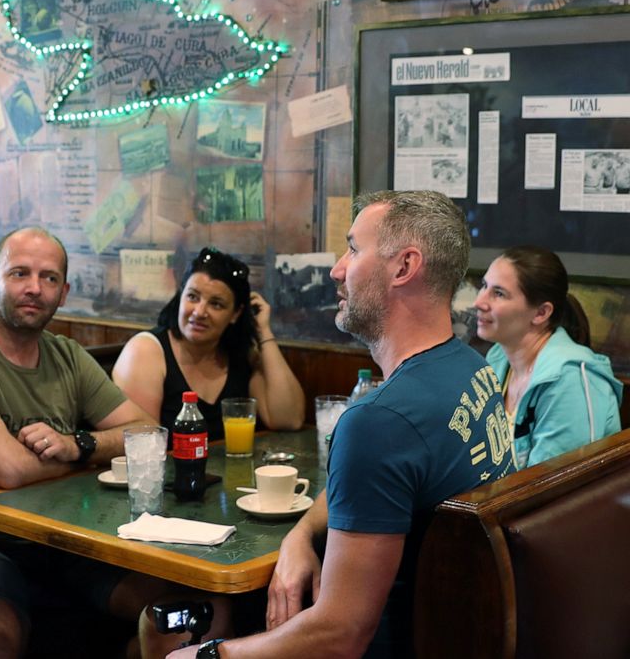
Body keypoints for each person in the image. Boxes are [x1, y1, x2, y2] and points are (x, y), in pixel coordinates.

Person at [171, 190, 517, 659]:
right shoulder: (470, 369)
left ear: (403, 267)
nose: (337, 268)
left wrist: (211, 656)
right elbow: (368, 492)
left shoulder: (380, 422)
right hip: (472, 634)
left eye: (353, 249)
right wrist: (298, 535)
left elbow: (340, 635)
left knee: (175, 641)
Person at [0, 227, 231, 659]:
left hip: (65, 542)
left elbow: (150, 436)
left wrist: (79, 444)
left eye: (49, 278)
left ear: (63, 292)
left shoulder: (66, 355)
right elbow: (6, 470)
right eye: (19, 273)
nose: (34, 288)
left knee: (189, 610)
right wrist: (83, 462)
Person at [112, 247, 304, 442]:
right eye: (193, 297)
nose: (199, 312)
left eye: (216, 304)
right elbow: (143, 442)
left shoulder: (240, 353)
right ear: (180, 296)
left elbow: (289, 419)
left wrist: (263, 331)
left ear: (235, 314)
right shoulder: (145, 351)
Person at [473, 246, 622, 469]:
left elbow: (554, 490)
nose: (479, 302)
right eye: (484, 286)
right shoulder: (498, 359)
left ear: (541, 313)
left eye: (499, 293)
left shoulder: (569, 380)